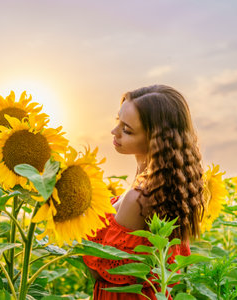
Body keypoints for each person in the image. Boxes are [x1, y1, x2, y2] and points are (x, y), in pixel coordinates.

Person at [83, 85, 205, 299]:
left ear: (154, 139)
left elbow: (102, 270)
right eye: (117, 121)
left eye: (127, 130)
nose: (114, 132)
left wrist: (80, 215)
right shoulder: (164, 186)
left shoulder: (139, 198)